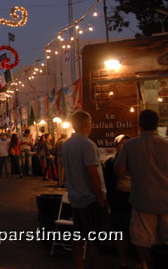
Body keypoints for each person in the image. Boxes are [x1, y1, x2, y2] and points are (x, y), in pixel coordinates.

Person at [115, 110, 168, 269]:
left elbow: (119, 171)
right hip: (166, 200)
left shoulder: (130, 145)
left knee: (142, 239)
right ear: (157, 124)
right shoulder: (166, 144)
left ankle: (146, 265)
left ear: (139, 125)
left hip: (142, 200)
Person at [61, 110, 108, 269]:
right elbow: (92, 173)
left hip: (75, 196)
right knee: (93, 239)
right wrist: (100, 196)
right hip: (89, 198)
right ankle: (92, 265)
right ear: (86, 124)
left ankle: (78, 265)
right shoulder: (88, 145)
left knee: (78, 236)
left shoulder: (67, 144)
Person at [103, 134, 131, 269]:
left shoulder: (138, 160)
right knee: (119, 228)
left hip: (135, 198)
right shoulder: (110, 162)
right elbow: (108, 181)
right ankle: (123, 260)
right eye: (121, 143)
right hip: (118, 198)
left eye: (126, 143)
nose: (124, 146)